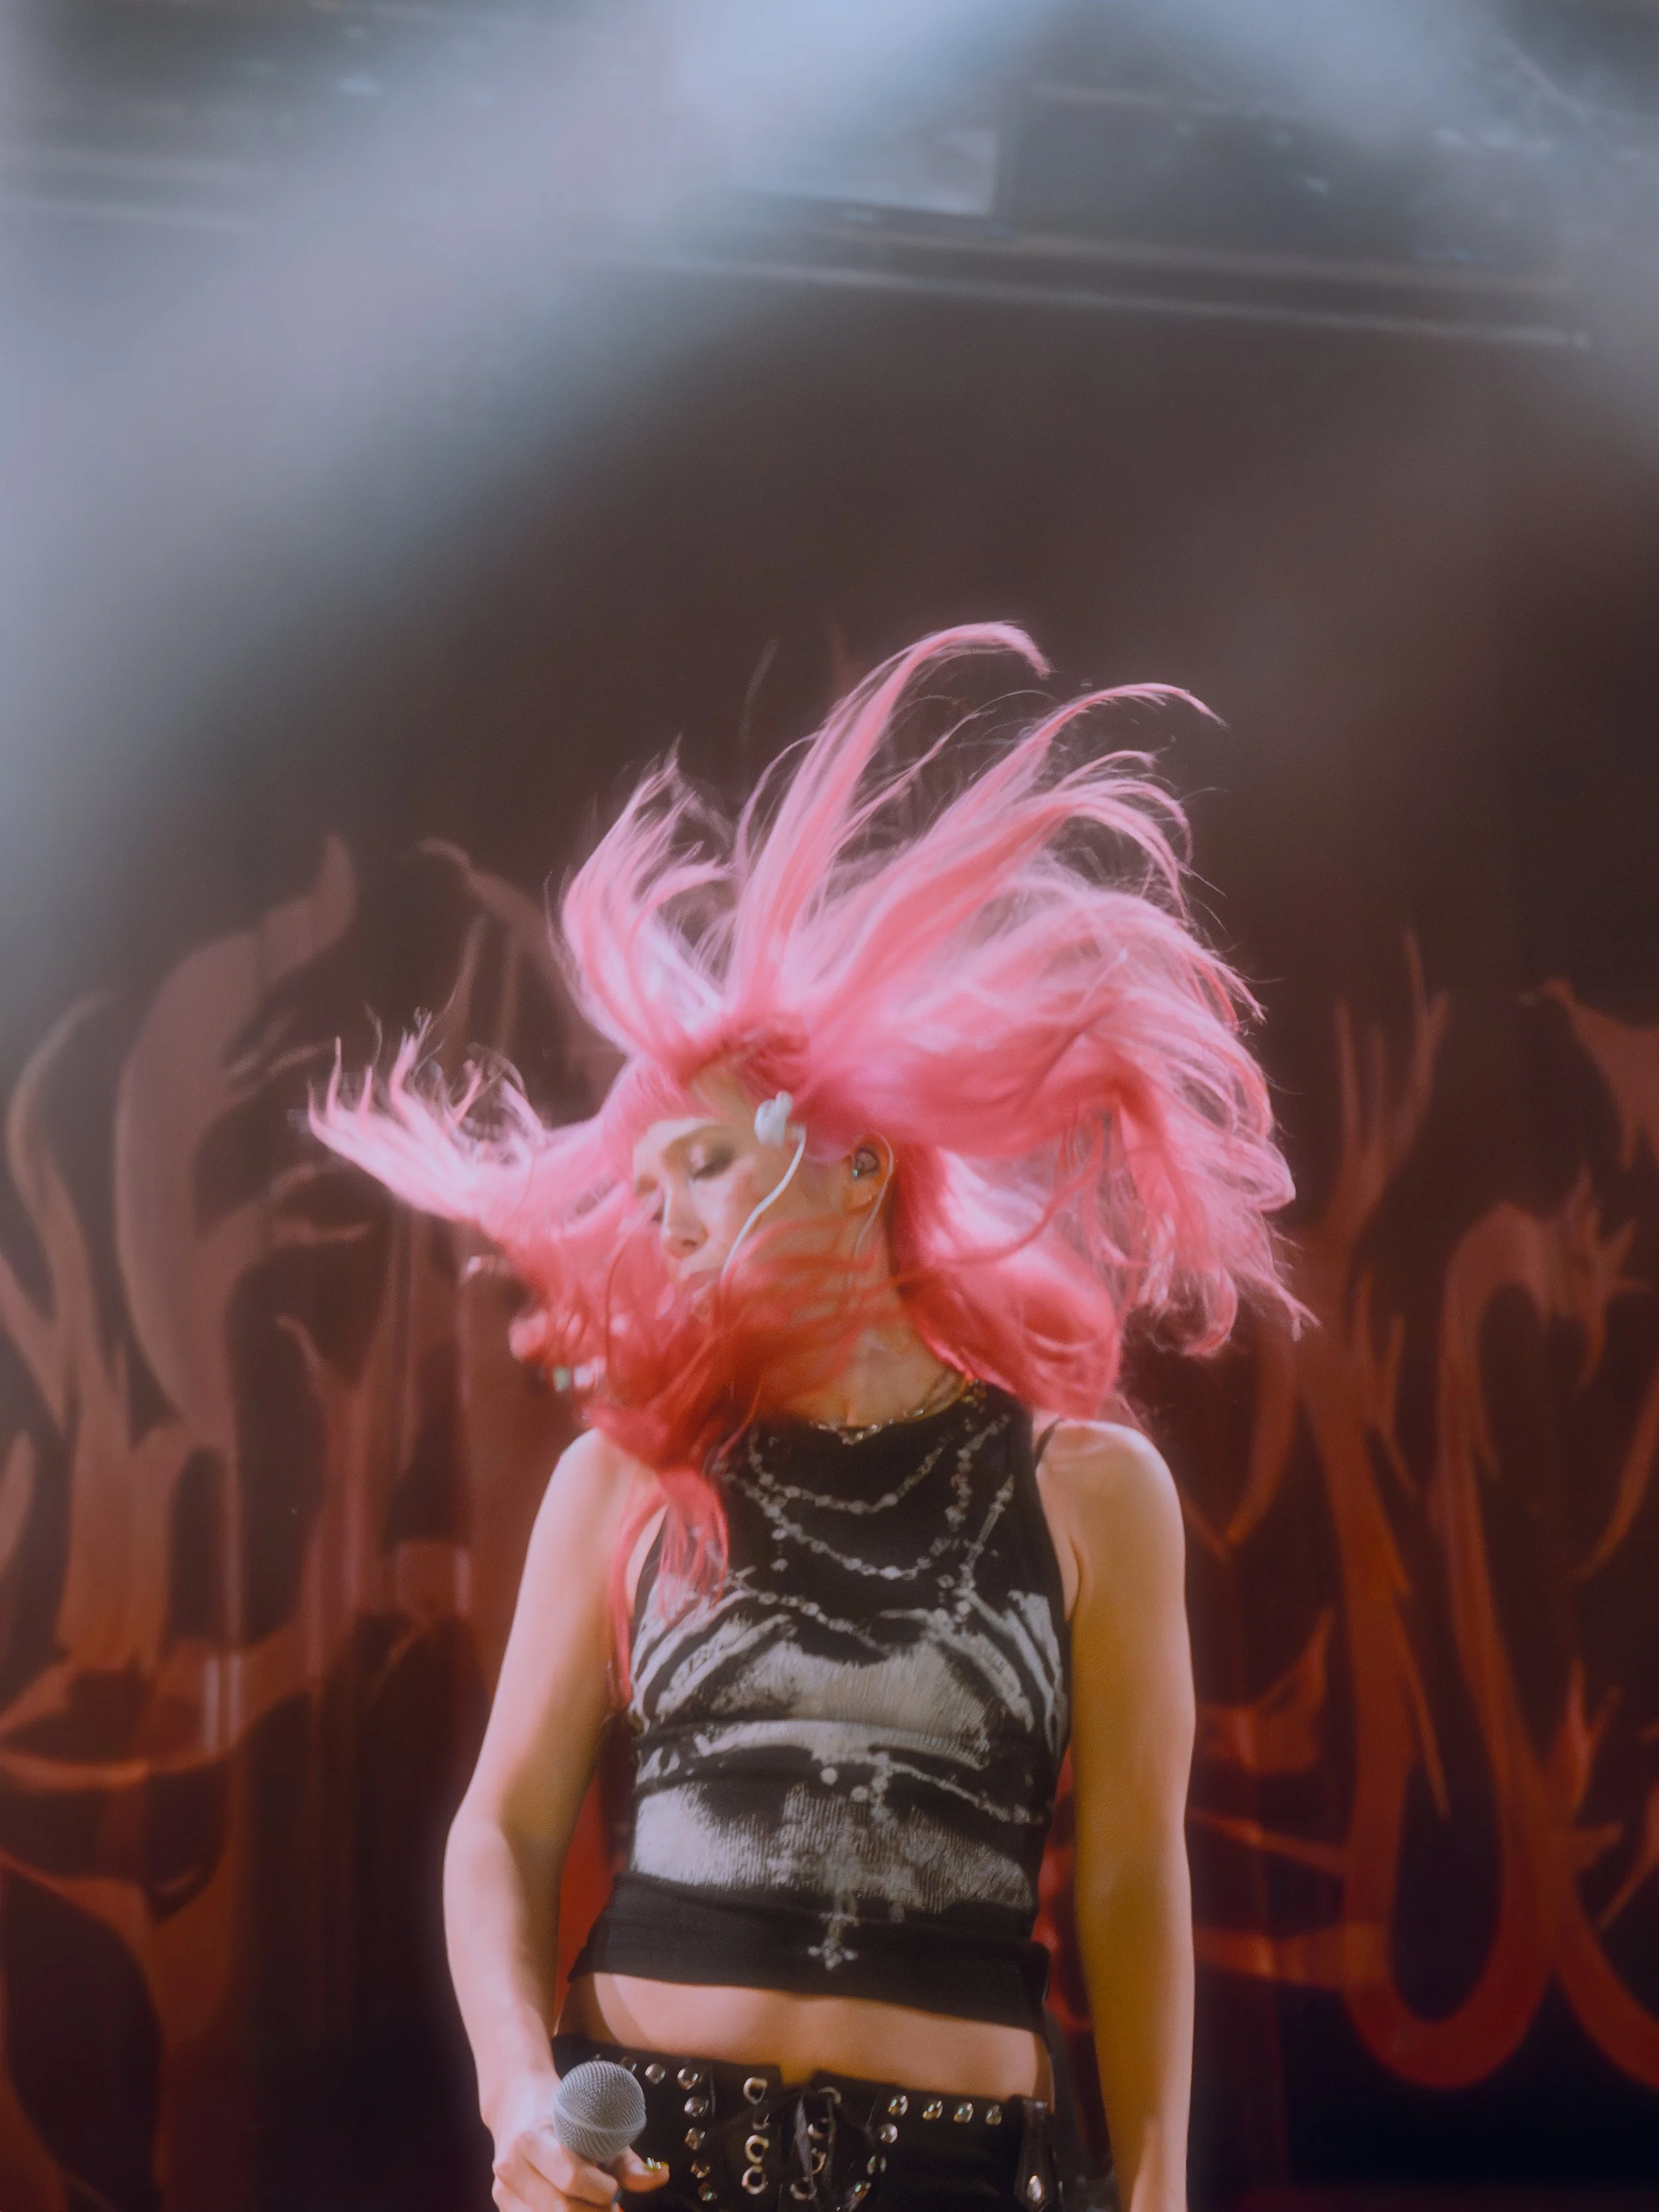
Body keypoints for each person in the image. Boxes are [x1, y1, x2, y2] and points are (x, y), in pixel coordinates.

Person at [315, 625, 1295, 2212]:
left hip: (957, 2173)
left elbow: (1128, 1872)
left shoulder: (1092, 1490)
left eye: (704, 1161)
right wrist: (515, 2102)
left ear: (857, 1165)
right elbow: (498, 1825)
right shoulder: (625, 1480)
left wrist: (1157, 2189)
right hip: (650, 2168)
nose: (670, 1217)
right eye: (648, 1192)